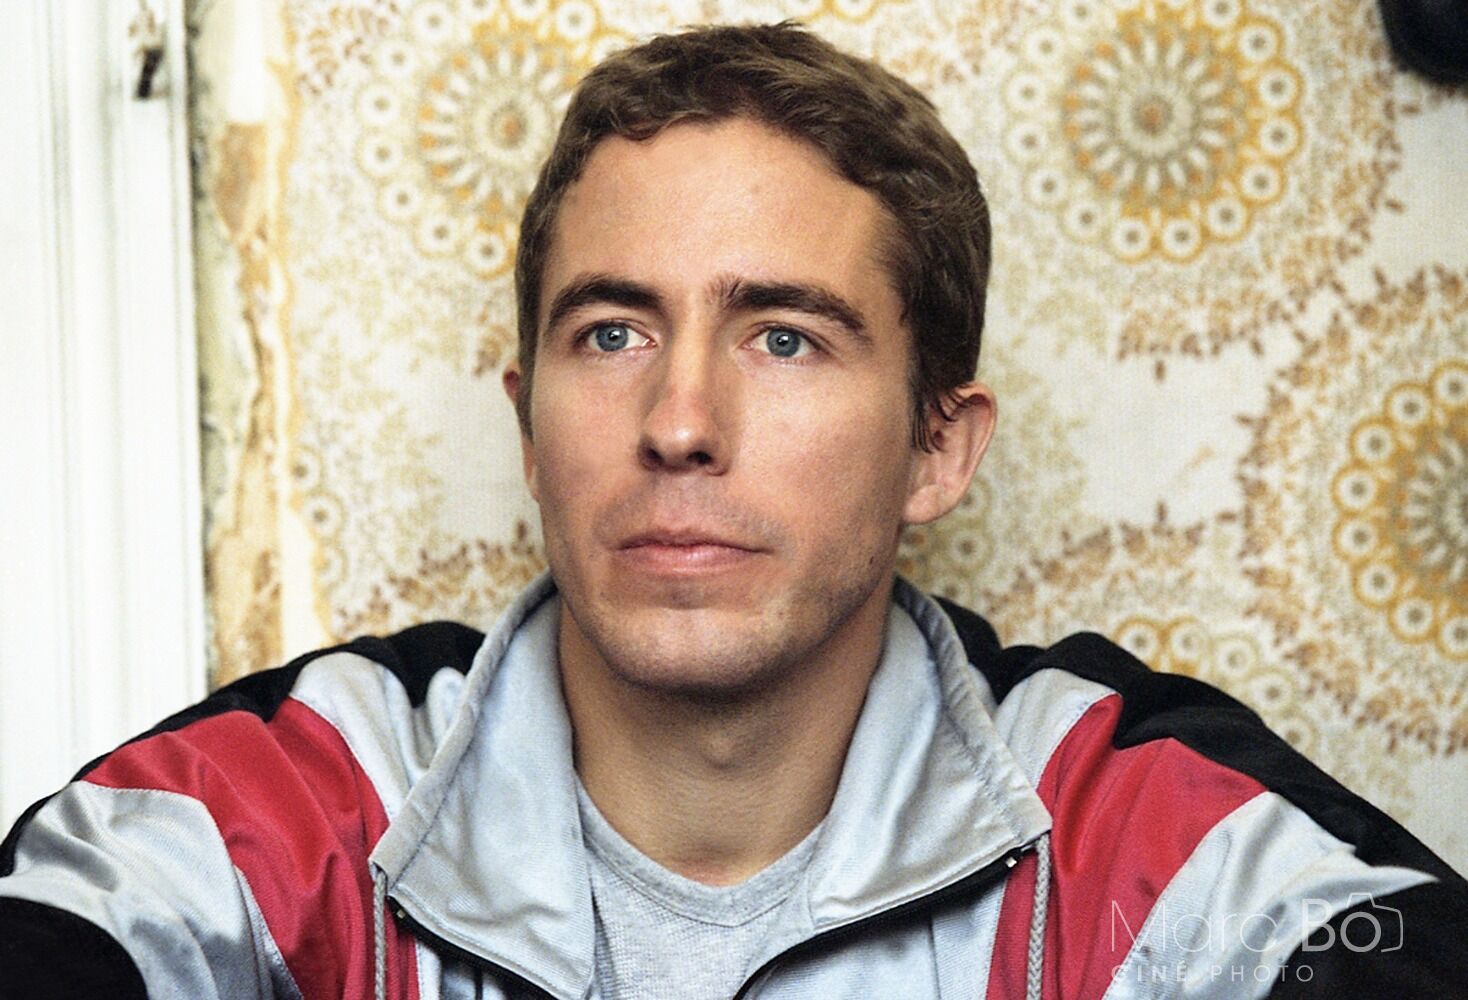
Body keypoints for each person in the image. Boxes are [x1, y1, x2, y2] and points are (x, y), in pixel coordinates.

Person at [1, 21, 1464, 1000]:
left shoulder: (1126, 819)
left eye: (784, 338)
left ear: (938, 449)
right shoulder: (310, 802)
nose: (679, 423)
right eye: (611, 334)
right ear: (527, 426)